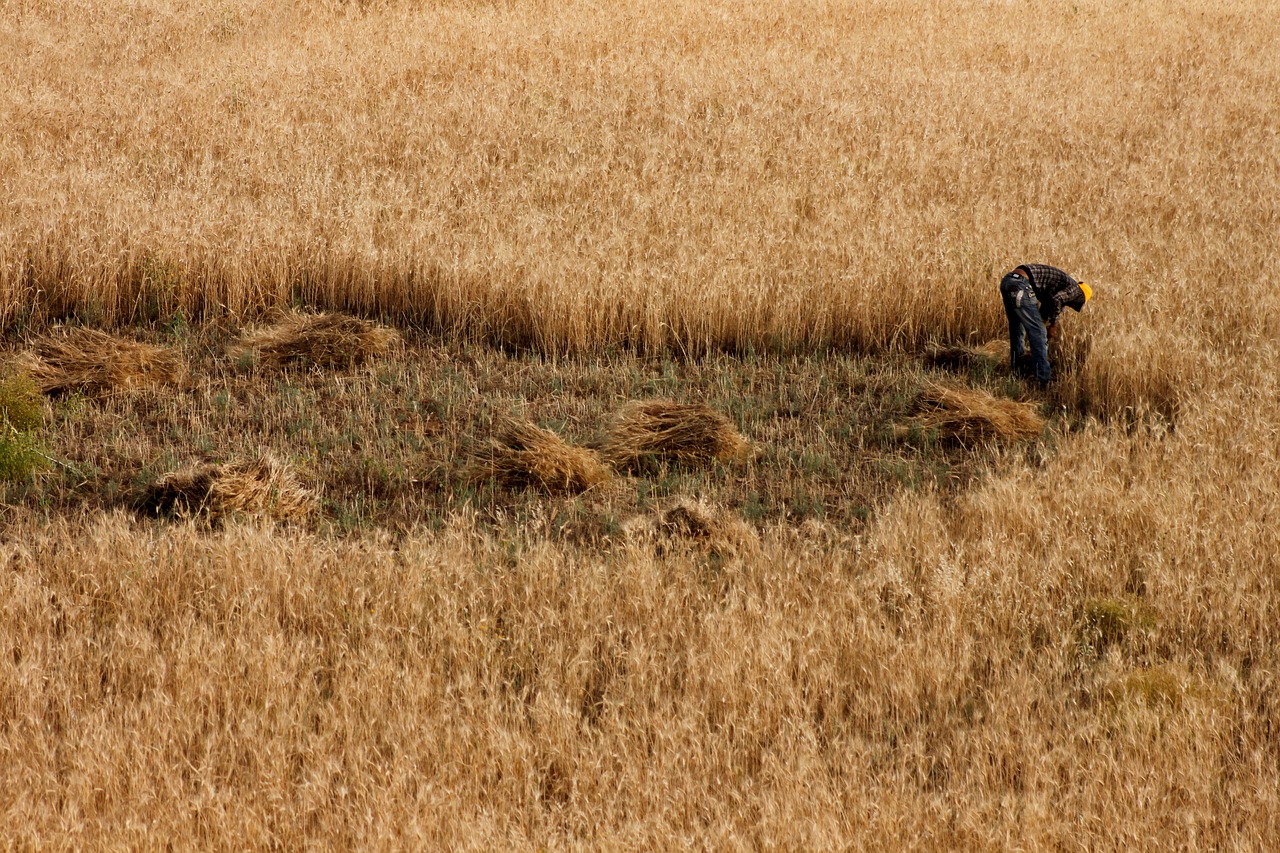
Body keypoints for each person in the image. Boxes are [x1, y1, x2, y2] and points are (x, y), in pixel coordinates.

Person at [999, 263, 1093, 386]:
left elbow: (1047, 308)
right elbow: (1057, 299)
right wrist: (1052, 325)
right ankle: (1043, 379)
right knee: (1039, 332)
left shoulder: (1062, 285)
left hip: (1008, 281)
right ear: (1081, 299)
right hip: (1021, 285)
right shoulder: (1077, 291)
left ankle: (1018, 371)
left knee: (1017, 328)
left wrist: (1044, 324)